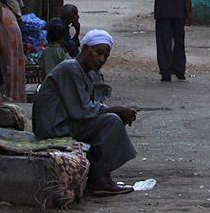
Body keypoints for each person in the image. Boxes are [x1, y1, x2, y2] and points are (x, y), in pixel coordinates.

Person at [32, 29, 138, 195]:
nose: (102, 60)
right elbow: (81, 111)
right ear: (86, 49)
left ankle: (99, 176)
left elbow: (85, 107)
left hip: (63, 122)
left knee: (109, 120)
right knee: (111, 121)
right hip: (54, 127)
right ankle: (99, 180)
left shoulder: (84, 73)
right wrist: (116, 111)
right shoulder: (70, 68)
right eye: (98, 53)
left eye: (106, 56)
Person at [137, 0, 194, 82]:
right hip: (179, 14)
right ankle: (180, 71)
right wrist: (189, 14)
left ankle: (165, 72)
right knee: (179, 42)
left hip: (162, 13)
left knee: (164, 43)